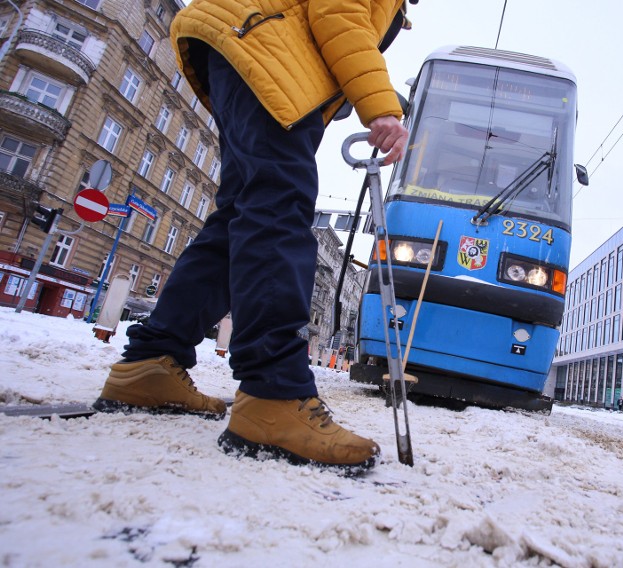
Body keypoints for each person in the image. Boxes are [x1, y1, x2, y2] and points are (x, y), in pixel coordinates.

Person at [92, 0, 415, 473]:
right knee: (277, 205)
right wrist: (381, 106)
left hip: (245, 42)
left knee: (240, 215)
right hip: (261, 45)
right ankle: (273, 392)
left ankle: (153, 363)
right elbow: (338, 14)